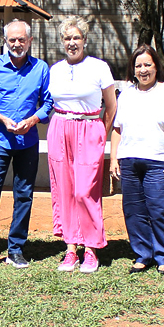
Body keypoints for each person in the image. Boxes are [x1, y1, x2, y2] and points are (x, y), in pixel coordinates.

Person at [0, 19, 54, 272]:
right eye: (12, 40)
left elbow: (48, 103)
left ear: (30, 41)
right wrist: (2, 118)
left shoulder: (40, 68)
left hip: (27, 142)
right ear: (5, 41)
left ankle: (16, 249)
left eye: (21, 39)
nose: (17, 44)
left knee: (24, 196)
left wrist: (32, 120)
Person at [109, 44, 164, 275]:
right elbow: (117, 129)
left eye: (147, 65)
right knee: (134, 210)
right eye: (138, 65)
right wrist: (114, 159)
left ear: (156, 67)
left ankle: (163, 255)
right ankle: (142, 254)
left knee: (159, 209)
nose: (143, 70)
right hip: (129, 161)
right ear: (132, 70)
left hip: (159, 161)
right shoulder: (125, 95)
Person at [47, 16, 116, 273]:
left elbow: (111, 105)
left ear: (85, 40)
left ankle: (91, 248)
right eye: (67, 38)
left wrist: (101, 133)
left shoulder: (99, 67)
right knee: (64, 189)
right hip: (60, 128)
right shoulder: (55, 70)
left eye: (76, 37)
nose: (72, 42)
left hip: (89, 128)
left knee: (85, 191)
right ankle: (70, 248)